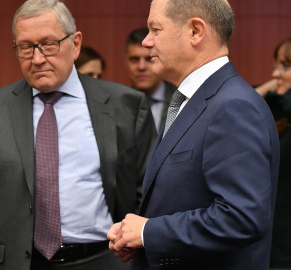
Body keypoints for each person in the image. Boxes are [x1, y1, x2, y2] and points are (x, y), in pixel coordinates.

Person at [0, 0, 156, 269]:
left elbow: (148, 193)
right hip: (18, 263)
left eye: (49, 44)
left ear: (75, 44)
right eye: (26, 47)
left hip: (104, 259)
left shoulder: (126, 105)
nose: (38, 58)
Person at [107, 0, 280, 269]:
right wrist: (138, 237)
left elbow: (242, 218)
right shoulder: (195, 100)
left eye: (155, 30)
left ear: (195, 32)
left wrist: (148, 233)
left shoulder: (233, 107)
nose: (146, 42)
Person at [256, 37, 291, 269]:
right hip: (274, 246)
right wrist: (280, 78)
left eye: (285, 66)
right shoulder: (281, 114)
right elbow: (248, 102)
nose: (276, 74)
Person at [125, 27, 176, 131]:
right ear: (126, 62)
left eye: (149, 59)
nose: (141, 67)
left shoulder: (181, 101)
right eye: (134, 59)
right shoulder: (120, 104)